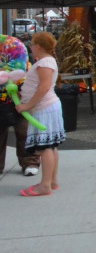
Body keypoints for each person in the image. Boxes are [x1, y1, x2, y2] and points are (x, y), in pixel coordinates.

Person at [16, 32, 65, 197]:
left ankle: (46, 185)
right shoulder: (46, 61)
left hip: (44, 108)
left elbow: (43, 87)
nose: (31, 48)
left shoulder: (45, 63)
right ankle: (52, 181)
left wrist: (27, 105)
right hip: (46, 107)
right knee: (50, 146)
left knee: (45, 148)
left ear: (38, 46)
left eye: (32, 45)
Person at [0, 34, 40, 176]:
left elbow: (17, 70)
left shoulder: (13, 44)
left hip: (19, 94)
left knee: (24, 130)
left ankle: (30, 162)